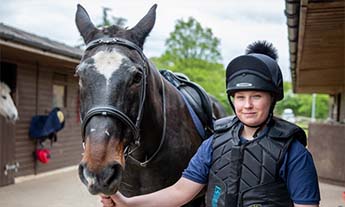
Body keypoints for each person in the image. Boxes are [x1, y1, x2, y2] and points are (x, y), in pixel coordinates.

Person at [101, 41, 320, 207]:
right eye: (240, 97)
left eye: (257, 96)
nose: (247, 105)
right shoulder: (214, 143)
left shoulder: (294, 153)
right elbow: (179, 193)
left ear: (272, 98)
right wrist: (125, 202)